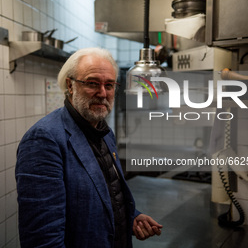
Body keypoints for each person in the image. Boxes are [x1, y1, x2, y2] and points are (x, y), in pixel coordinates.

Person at [15, 47, 162, 248]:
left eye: (109, 85)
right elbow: (43, 238)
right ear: (70, 85)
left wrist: (129, 217)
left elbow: (104, 192)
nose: (102, 93)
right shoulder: (45, 139)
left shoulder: (104, 132)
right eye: (92, 83)